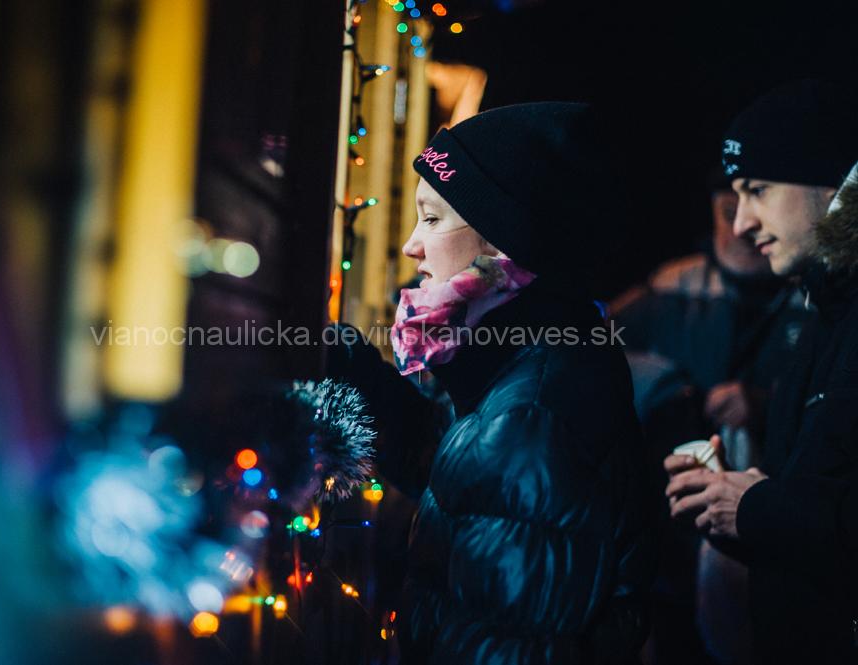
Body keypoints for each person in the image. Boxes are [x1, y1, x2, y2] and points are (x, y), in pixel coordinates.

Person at [328, 103, 654, 664]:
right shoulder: (523, 360)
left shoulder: (533, 411)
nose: (411, 245)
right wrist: (343, 363)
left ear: (504, 243)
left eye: (432, 219)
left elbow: (508, 647)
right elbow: (458, 471)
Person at [665, 80, 858, 664]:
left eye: (758, 191)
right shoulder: (827, 309)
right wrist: (732, 504)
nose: (742, 224)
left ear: (832, 183)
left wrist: (757, 507)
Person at [613, 174, 811, 664]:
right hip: (668, 537)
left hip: (771, 539)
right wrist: (664, 387)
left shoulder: (813, 297)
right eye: (728, 209)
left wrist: (765, 405)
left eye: (758, 196)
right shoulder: (672, 286)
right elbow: (594, 345)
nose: (742, 224)